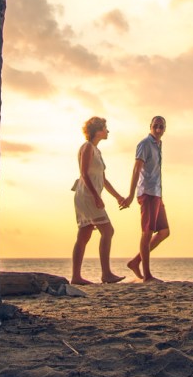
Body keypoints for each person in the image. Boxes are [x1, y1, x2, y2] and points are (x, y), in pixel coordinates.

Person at [71, 116, 127, 285]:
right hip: (87, 195)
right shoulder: (87, 147)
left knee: (84, 234)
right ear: (97, 131)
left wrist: (118, 197)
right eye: (105, 128)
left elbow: (103, 180)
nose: (107, 131)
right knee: (108, 231)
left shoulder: (97, 151)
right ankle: (106, 274)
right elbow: (84, 173)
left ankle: (76, 277)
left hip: (89, 195)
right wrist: (96, 196)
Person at [119, 115, 169, 282]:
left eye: (161, 126)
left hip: (157, 193)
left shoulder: (158, 145)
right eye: (156, 126)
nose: (158, 129)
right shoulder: (145, 144)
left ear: (165, 129)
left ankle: (135, 262)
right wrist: (130, 195)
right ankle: (147, 276)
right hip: (147, 193)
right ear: (150, 126)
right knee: (147, 232)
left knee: (164, 231)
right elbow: (136, 169)